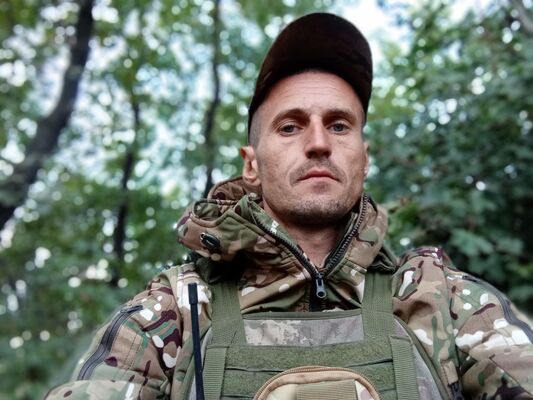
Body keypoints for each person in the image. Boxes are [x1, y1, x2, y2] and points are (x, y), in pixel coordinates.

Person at [46, 12, 533, 400]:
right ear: (251, 165)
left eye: (339, 125)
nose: (318, 143)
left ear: (364, 158)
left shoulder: (441, 300)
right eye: (290, 126)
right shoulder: (175, 310)